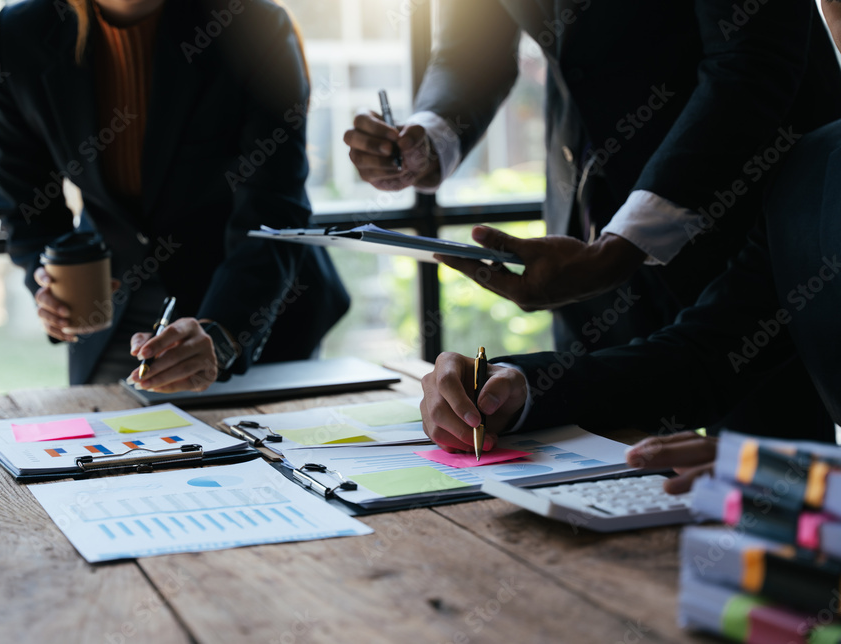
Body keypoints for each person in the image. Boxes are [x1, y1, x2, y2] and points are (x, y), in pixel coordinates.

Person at [345, 0, 841, 435]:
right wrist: (516, 387)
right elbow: (470, 45)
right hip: (585, 218)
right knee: (603, 448)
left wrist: (621, 246)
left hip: (761, 201)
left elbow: (751, 57)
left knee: (769, 479)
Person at [0, 0, 348, 393]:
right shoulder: (20, 33)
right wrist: (51, 275)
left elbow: (274, 207)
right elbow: (24, 202)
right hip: (113, 309)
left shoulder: (253, 24)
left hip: (250, 303)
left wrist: (221, 333)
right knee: (109, 444)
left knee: (256, 448)